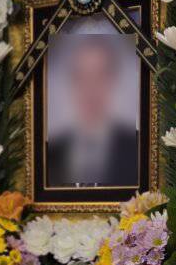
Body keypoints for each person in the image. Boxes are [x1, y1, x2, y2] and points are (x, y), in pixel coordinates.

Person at [45, 33, 139, 189]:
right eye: (80, 77)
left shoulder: (140, 148)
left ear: (114, 81)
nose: (90, 88)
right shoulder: (48, 154)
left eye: (100, 76)